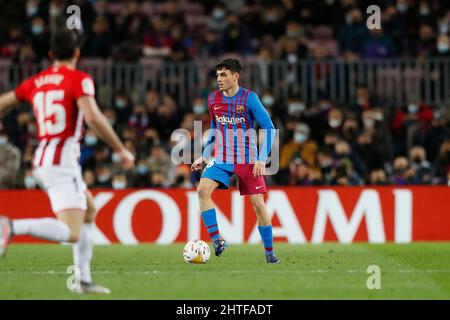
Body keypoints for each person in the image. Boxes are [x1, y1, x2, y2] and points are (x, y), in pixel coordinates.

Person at [0, 29, 135, 294]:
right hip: (61, 161)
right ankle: (11, 226)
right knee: (71, 231)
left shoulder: (36, 81)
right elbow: (94, 118)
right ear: (76, 53)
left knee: (90, 210)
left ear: (50, 54)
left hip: (43, 157)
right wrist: (121, 149)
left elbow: (4, 102)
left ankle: (82, 280)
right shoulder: (78, 80)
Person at [191, 59, 280, 263]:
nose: (219, 79)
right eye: (217, 75)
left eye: (224, 75)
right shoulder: (213, 99)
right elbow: (214, 127)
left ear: (235, 76)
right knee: (202, 190)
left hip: (247, 159)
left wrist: (261, 159)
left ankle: (269, 253)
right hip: (221, 157)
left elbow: (269, 127)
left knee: (258, 205)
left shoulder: (250, 98)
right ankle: (218, 241)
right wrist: (205, 155)